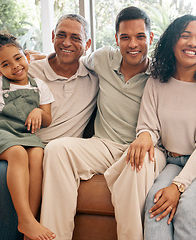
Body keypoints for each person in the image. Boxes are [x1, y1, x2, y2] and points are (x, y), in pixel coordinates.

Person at [0, 14, 98, 240]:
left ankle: (27, 225)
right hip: (0, 140)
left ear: (87, 44)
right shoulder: (28, 70)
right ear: (53, 36)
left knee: (1, 176)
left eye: (75, 37)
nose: (66, 42)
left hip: (38, 151)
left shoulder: (94, 76)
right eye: (61, 35)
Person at [39, 6, 166, 240]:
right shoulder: (102, 59)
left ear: (150, 38)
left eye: (140, 36)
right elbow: (71, 58)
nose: (133, 44)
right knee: (57, 149)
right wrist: (36, 57)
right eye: (125, 37)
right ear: (117, 39)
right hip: (104, 144)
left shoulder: (162, 73)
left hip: (148, 148)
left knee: (135, 169)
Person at [139, 15, 196, 240]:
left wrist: (178, 187)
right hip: (172, 159)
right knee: (155, 201)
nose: (193, 44)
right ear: (172, 41)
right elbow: (148, 126)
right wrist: (144, 136)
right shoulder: (156, 81)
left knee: (187, 207)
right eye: (185, 36)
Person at [0, 32, 55, 240]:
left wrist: (39, 112)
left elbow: (48, 118)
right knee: (18, 154)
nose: (15, 66)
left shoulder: (39, 86)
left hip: (22, 135)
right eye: (5, 64)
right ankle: (24, 218)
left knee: (38, 154)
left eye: (18, 58)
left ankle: (29, 220)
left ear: (27, 57)